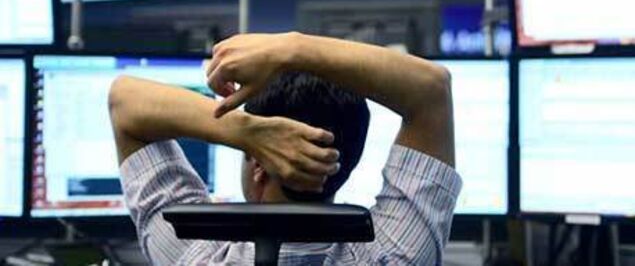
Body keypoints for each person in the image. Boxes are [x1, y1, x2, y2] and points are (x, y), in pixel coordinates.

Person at [108, 32, 462, 265]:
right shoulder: (395, 256)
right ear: (349, 161)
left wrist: (246, 132)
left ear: (258, 165)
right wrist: (292, 48)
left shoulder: (198, 256)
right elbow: (431, 89)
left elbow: (124, 102)